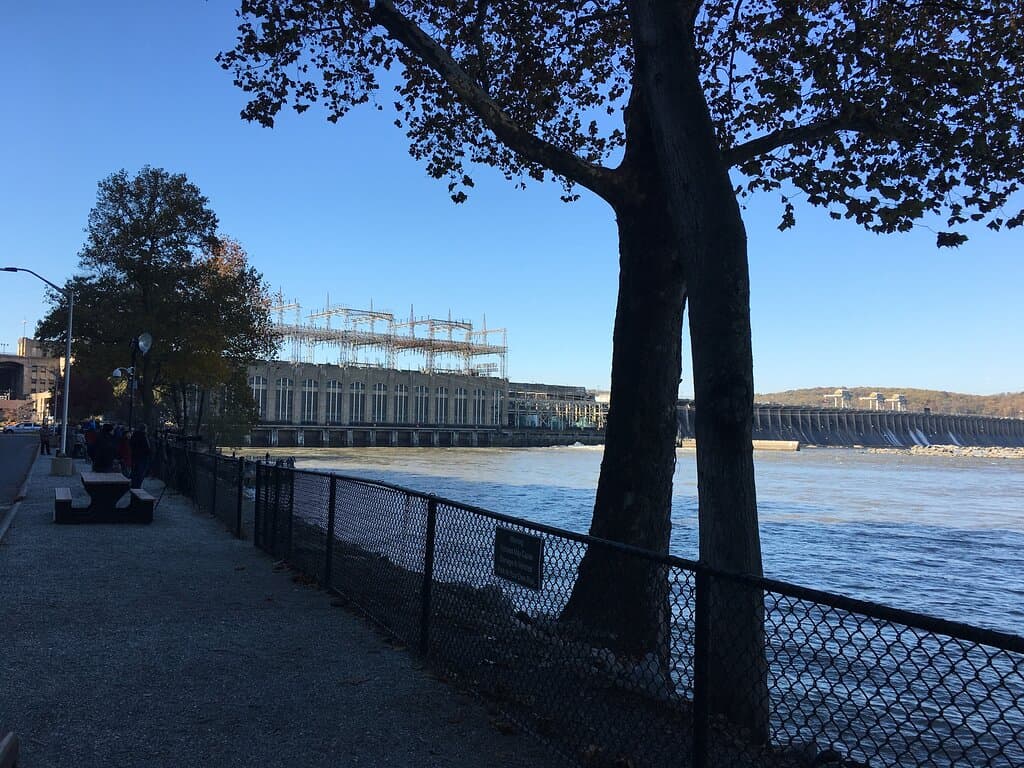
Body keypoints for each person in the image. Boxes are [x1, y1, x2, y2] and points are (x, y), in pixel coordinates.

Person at [129, 425, 151, 489]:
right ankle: (137, 487)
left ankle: (134, 486)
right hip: (142, 458)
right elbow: (147, 448)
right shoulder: (144, 437)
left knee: (135, 472)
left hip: (135, 456)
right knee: (140, 474)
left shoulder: (134, 436)